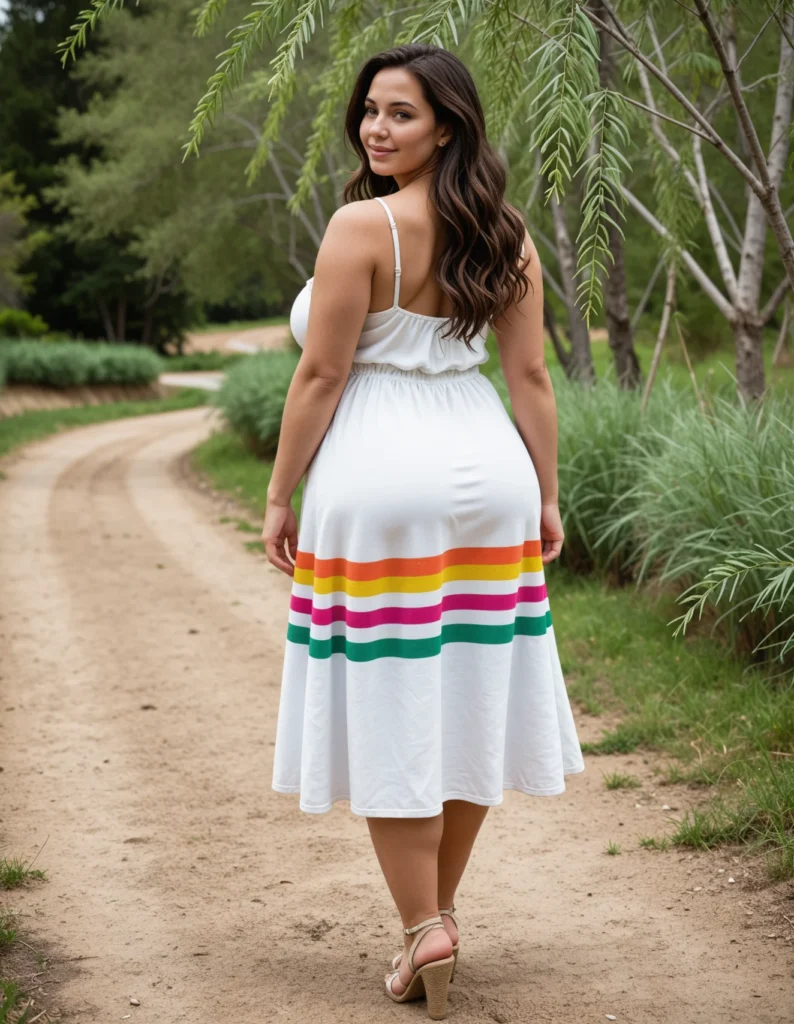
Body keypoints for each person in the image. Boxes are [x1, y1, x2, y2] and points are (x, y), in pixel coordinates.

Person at [261, 43, 585, 1020]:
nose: (375, 128)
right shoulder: (505, 234)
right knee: (469, 687)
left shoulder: (361, 225)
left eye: (399, 113)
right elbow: (528, 380)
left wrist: (279, 494)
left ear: (446, 123)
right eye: (368, 111)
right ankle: (435, 913)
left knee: (394, 696)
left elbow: (319, 377)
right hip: (484, 466)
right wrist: (543, 491)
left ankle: (423, 928)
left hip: (380, 477)